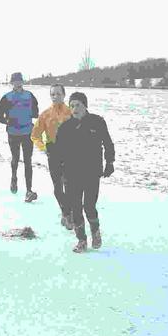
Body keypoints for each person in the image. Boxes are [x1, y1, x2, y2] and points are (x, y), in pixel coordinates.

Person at [55, 92, 115, 253]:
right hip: (71, 173)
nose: (74, 109)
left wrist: (110, 162)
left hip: (91, 172)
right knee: (75, 208)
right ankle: (81, 240)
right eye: (72, 106)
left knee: (89, 206)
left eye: (78, 105)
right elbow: (58, 152)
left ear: (85, 106)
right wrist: (59, 170)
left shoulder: (97, 122)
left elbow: (108, 143)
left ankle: (95, 232)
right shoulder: (65, 127)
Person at [31, 84, 73, 229]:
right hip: (53, 151)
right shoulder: (45, 114)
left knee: (69, 185)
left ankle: (68, 214)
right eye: (53, 94)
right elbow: (35, 135)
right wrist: (43, 148)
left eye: (58, 94)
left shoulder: (71, 112)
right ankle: (65, 213)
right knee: (58, 187)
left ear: (64, 95)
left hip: (70, 152)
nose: (55, 97)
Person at [0, 72, 39, 202]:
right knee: (15, 158)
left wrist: (30, 115)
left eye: (20, 81)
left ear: (22, 82)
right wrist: (7, 121)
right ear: (12, 83)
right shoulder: (7, 97)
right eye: (15, 81)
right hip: (13, 133)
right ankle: (14, 177)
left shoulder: (29, 96)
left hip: (27, 132)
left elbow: (36, 112)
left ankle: (29, 190)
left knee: (28, 161)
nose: (18, 83)